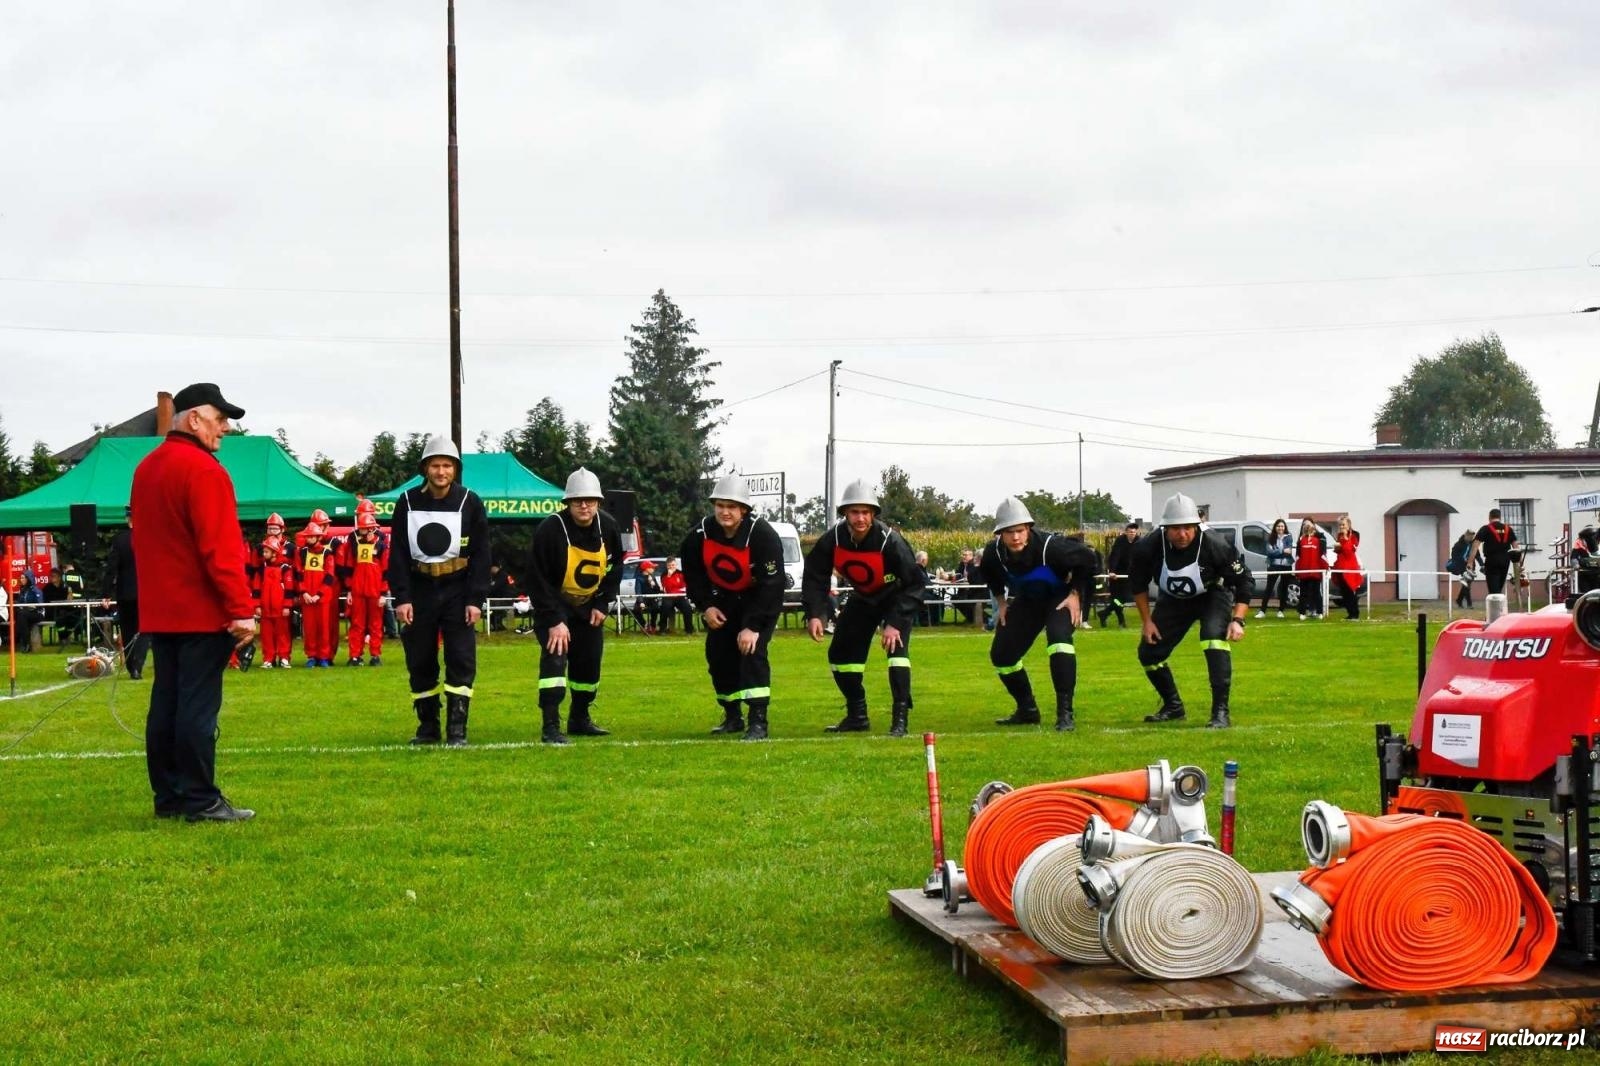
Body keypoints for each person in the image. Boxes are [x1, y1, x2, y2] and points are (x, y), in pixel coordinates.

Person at [130, 382, 257, 821]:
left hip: (160, 612)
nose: (224, 428)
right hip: (200, 612)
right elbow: (220, 549)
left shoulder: (146, 468)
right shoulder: (205, 470)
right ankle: (201, 800)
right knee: (197, 711)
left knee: (165, 705)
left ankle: (169, 797)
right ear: (194, 418)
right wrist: (241, 609)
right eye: (219, 418)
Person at [387, 435, 491, 747]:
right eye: (435, 465)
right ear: (425, 468)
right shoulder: (406, 502)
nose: (441, 471)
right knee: (420, 659)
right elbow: (399, 553)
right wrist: (402, 597)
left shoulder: (470, 502)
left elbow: (482, 554)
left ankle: (457, 730)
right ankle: (427, 727)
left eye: (447, 465)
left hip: (457, 589)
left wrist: (475, 599)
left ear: (455, 470)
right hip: (420, 590)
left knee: (460, 657)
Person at [801, 479, 924, 737]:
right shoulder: (832, 539)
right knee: (840, 656)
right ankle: (857, 716)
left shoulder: (891, 541)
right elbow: (815, 576)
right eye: (855, 512)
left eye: (866, 512)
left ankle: (899, 720)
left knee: (897, 654)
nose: (860, 518)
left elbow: (914, 583)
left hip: (895, 598)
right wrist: (815, 614)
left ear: (873, 515)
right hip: (864, 598)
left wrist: (895, 623)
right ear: (845, 513)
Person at [1128, 492, 1254, 729]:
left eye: (1188, 527)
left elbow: (1244, 580)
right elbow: (1138, 585)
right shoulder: (1148, 547)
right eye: (1176, 528)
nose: (1182, 534)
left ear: (1197, 524)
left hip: (1212, 596)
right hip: (1173, 600)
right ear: (1165, 528)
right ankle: (1173, 706)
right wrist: (1147, 621)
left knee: (1212, 640)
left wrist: (1238, 619)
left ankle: (1220, 712)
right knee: (1148, 654)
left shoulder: (1215, 544)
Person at [680, 475, 786, 740]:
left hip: (757, 601)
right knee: (718, 657)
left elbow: (772, 585)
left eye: (732, 506)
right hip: (722, 601)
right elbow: (693, 577)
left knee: (752, 652)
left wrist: (753, 626)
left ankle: (758, 721)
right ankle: (732, 716)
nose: (725, 512)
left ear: (744, 510)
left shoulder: (763, 536)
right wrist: (706, 607)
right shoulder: (697, 536)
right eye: (720, 505)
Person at [982, 497, 1099, 732]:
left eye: (1020, 531)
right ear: (1000, 535)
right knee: (1002, 655)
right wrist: (1002, 603)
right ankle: (1027, 710)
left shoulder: (1052, 547)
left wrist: (1076, 593)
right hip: (1030, 600)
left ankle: (1065, 713)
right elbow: (989, 572)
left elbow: (1088, 559)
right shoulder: (993, 553)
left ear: (1028, 529)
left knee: (1058, 639)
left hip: (1061, 596)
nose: (1015, 537)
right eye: (1009, 532)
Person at [526, 467, 624, 745]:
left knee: (589, 664)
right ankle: (551, 725)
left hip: (589, 607)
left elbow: (615, 567)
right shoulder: (550, 530)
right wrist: (555, 619)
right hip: (554, 607)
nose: (584, 505)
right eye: (577, 500)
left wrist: (602, 603)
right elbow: (536, 578)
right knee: (555, 661)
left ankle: (580, 718)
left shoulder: (609, 527)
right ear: (568, 502)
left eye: (590, 500)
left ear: (598, 502)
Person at [102, 508, 149, 678]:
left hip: (125, 593)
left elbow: (111, 568)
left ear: (127, 519)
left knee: (128, 629)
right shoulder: (149, 539)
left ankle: (131, 666)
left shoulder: (120, 540)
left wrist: (106, 593)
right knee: (144, 630)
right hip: (145, 592)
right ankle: (138, 664)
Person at [340, 511, 389, 665]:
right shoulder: (355, 546)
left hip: (375, 591)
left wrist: (383, 593)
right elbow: (349, 568)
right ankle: (355, 655)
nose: (359, 532)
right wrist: (349, 590)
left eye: (362, 529)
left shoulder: (381, 546)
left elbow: (387, 571)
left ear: (371, 529)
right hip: (357, 591)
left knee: (375, 624)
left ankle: (375, 655)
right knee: (357, 624)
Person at [293, 521, 337, 667]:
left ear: (318, 537)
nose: (309, 539)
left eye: (311, 537)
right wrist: (304, 592)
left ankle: (323, 656)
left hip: (322, 597)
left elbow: (329, 576)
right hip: (307, 595)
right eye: (308, 537)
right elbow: (298, 574)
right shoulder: (302, 553)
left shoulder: (327, 553)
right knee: (310, 628)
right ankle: (311, 656)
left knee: (323, 627)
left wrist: (319, 594)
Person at [253, 535, 295, 667]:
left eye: (266, 551)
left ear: (274, 552)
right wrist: (257, 605)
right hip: (265, 608)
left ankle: (284, 657)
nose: (263, 554)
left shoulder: (285, 568)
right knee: (267, 635)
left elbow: (289, 589)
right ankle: (268, 658)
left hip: (280, 608)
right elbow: (256, 587)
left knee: (283, 634)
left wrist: (287, 606)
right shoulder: (261, 568)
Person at [1469, 508, 1521, 597]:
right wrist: (1519, 564)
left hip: (1492, 560)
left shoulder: (1486, 529)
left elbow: (1475, 545)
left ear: (1489, 517)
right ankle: (1499, 605)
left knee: (1493, 589)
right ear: (1500, 517)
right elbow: (1516, 548)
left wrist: (1470, 562)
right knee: (1499, 587)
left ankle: (1496, 608)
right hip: (1505, 560)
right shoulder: (1508, 529)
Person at [1098, 522, 1139, 628]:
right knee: (1116, 599)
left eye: (1134, 532)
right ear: (1126, 532)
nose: (1132, 534)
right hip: (1117, 574)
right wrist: (1112, 571)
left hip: (1130, 575)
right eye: (1130, 532)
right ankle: (1121, 622)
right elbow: (1115, 556)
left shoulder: (1139, 542)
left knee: (1125, 597)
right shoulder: (1120, 541)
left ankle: (1104, 613)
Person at [1256, 518, 1294, 618]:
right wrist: (1282, 551)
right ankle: (1262, 611)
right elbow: (1269, 552)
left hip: (1286, 565)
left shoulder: (1289, 537)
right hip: (1273, 565)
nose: (1280, 528)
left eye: (1282, 526)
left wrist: (1277, 551)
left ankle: (1281, 611)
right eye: (1278, 526)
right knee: (1269, 588)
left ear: (1284, 527)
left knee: (1284, 588)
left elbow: (1289, 550)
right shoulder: (1270, 537)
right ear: (1275, 527)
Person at [1293, 518, 1329, 620]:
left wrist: (1325, 568)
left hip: (1315, 572)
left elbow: (1322, 555)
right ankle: (1303, 613)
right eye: (1307, 529)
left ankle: (1319, 612)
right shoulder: (1301, 541)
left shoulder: (1318, 541)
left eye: (1311, 529)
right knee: (1304, 593)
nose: (1309, 532)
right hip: (1305, 572)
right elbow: (1298, 557)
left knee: (1316, 592)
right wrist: (1297, 570)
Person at [1330, 515, 1363, 620]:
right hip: (1340, 566)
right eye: (1340, 525)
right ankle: (1350, 613)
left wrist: (1345, 538)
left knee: (1350, 591)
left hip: (1350, 567)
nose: (1341, 527)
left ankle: (1355, 613)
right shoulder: (1339, 535)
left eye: (1343, 524)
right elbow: (1340, 550)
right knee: (1344, 592)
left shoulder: (1354, 535)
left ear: (1348, 525)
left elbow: (1349, 551)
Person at [659, 557, 695, 634]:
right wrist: (669, 576)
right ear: (666, 566)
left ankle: (689, 630)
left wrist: (676, 589)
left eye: (673, 565)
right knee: (665, 608)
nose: (671, 567)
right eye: (669, 565)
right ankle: (662, 629)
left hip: (680, 597)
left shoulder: (681, 573)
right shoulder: (664, 575)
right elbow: (667, 587)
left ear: (676, 565)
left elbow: (683, 586)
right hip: (669, 597)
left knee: (688, 609)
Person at [630, 561, 665, 633]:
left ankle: (653, 625)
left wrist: (653, 584)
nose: (654, 569)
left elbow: (657, 590)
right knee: (636, 610)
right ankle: (644, 624)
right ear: (646, 569)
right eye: (652, 567)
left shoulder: (652, 577)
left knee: (656, 608)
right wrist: (641, 602)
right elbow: (638, 591)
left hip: (652, 599)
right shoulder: (639, 579)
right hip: (643, 599)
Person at [1446, 531, 1476, 608]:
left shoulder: (1472, 544)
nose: (1471, 539)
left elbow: (1477, 554)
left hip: (1470, 566)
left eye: (1472, 537)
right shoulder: (1458, 544)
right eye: (1470, 537)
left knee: (1466, 584)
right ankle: (1469, 604)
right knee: (1466, 585)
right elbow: (1454, 556)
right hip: (1462, 566)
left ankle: (1459, 600)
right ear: (1466, 536)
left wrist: (1482, 564)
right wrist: (1464, 560)